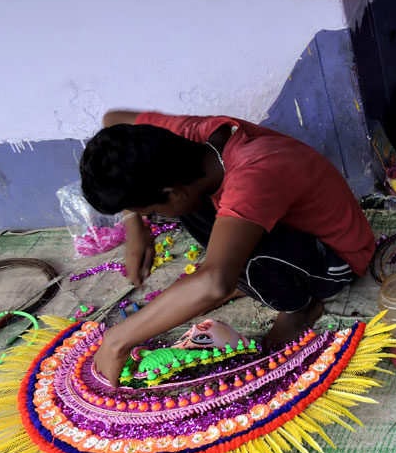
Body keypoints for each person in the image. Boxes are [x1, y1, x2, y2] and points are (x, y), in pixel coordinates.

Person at [79, 110, 374, 385]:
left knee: (232, 265)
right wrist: (135, 224)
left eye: (147, 210)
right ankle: (251, 280)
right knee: (202, 216)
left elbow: (216, 281)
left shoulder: (253, 174)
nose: (146, 217)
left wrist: (117, 340)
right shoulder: (184, 142)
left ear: (173, 192)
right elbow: (112, 119)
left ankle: (298, 305)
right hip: (281, 223)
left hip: (335, 258)